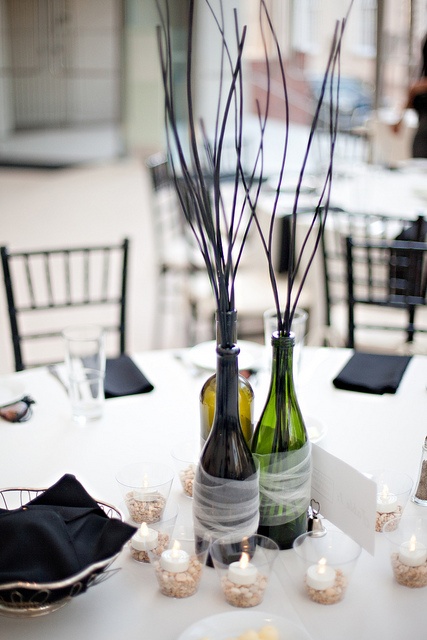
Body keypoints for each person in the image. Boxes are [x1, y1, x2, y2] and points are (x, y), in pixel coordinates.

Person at [391, 35, 427, 158]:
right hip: (422, 132)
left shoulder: (418, 85)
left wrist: (416, 87)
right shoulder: (419, 78)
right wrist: (399, 119)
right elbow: (410, 96)